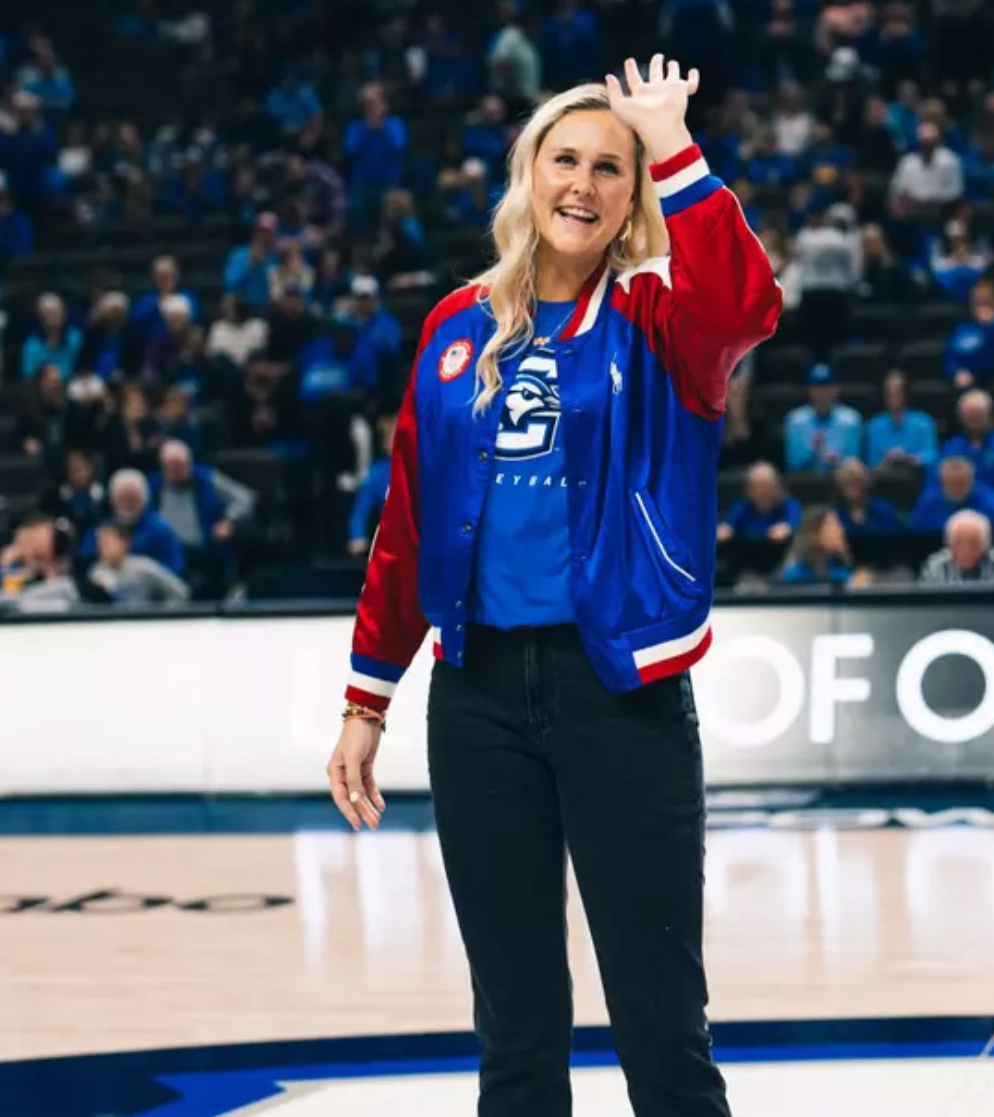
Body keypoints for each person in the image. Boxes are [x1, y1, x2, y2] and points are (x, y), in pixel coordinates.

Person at [333, 57, 780, 1117]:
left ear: (633, 197)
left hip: (619, 693)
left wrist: (673, 143)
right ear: (528, 174)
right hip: (476, 695)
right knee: (517, 1028)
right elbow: (408, 522)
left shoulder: (663, 317)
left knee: (660, 1022)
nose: (582, 183)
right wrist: (366, 698)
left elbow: (746, 304)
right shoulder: (452, 323)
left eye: (609, 169)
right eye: (563, 159)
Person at [920, 508, 994, 583]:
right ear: (950, 545)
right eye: (959, 543)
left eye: (973, 543)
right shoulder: (935, 568)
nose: (966, 550)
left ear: (985, 544)